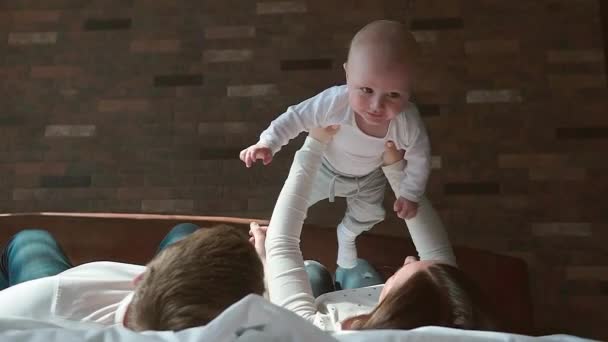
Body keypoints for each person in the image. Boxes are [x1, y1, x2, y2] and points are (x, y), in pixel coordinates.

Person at [240, 20, 439, 271]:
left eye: (394, 95)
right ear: (348, 75)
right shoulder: (334, 102)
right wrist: (268, 142)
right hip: (325, 169)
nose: (377, 105)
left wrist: (410, 193)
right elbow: (296, 116)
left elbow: (420, 156)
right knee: (292, 205)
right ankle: (276, 233)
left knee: (371, 215)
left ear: (410, 90)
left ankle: (346, 234)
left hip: (369, 178)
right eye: (366, 89)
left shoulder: (407, 122)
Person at [259, 126, 496, 332]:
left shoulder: (314, 331)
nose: (408, 258)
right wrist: (394, 166)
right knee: (355, 269)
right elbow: (438, 253)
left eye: (394, 278)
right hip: (360, 305)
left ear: (393, 310)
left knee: (314, 273)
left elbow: (282, 243)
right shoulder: (451, 314)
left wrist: (314, 144)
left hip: (331, 310)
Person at [0, 223, 264, 331]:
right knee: (185, 232)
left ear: (139, 280)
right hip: (65, 300)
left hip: (55, 304)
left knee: (30, 240)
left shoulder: (36, 304)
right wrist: (266, 262)